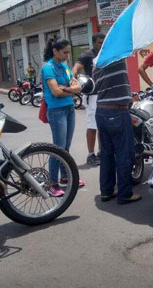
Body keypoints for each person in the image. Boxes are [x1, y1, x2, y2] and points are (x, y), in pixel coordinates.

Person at [94, 56, 141, 204]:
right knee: (124, 154)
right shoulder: (116, 60)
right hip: (117, 113)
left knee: (106, 154)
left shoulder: (97, 62)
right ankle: (125, 194)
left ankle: (106, 191)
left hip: (101, 111)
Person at [41, 38, 85, 197]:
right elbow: (55, 92)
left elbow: (77, 85)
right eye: (65, 52)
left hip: (69, 108)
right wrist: (71, 89)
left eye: (68, 52)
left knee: (65, 147)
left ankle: (65, 177)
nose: (67, 55)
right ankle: (52, 183)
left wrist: (67, 88)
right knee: (58, 148)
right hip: (56, 110)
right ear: (55, 51)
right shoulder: (48, 68)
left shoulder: (65, 67)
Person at [72, 32, 105, 166]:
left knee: (102, 126)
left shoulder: (107, 54)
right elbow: (75, 70)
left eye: (103, 42)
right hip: (93, 96)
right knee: (93, 126)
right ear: (94, 43)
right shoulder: (87, 55)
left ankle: (101, 152)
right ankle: (90, 154)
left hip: (105, 94)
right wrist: (75, 82)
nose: (102, 45)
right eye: (99, 42)